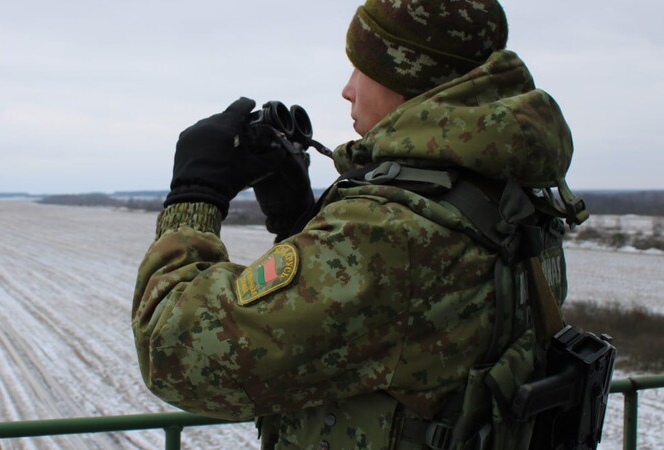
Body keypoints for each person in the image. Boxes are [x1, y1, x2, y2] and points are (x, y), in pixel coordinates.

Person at [132, 1, 584, 448]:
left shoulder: (392, 231)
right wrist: (298, 221)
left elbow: (174, 352)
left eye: (363, 69)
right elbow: (389, 330)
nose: (347, 90)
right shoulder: (505, 192)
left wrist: (194, 194)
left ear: (408, 79)